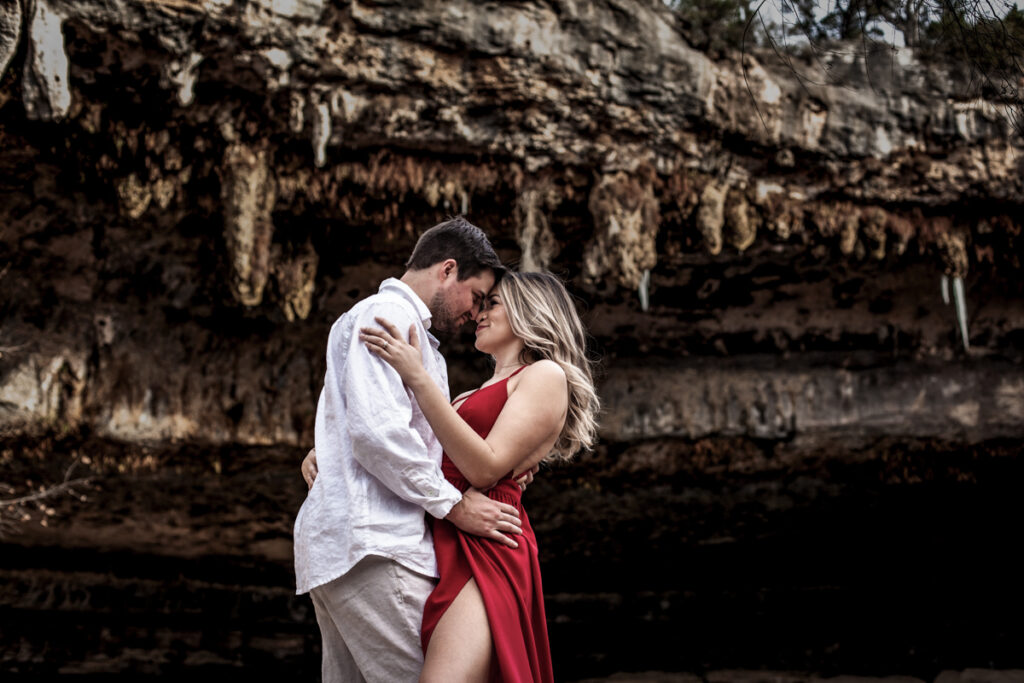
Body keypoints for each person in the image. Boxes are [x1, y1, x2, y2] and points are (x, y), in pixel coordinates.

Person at [292, 217, 529, 683]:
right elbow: (378, 434)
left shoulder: (383, 325)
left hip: (347, 546)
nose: (475, 314)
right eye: (476, 298)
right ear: (446, 270)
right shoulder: (390, 318)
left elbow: (357, 425)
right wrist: (455, 506)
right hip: (380, 544)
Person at [356, 270, 600, 682]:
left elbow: (484, 467)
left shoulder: (545, 374)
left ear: (528, 312)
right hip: (446, 537)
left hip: (488, 546)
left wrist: (417, 377)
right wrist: (327, 454)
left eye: (492, 304)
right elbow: (413, 453)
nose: (477, 314)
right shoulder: (468, 394)